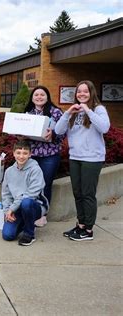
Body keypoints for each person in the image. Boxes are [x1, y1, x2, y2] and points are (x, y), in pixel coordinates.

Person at [55, 80, 110, 241]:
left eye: (85, 91)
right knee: (78, 193)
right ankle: (81, 225)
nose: (82, 94)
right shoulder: (74, 112)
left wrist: (87, 110)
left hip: (92, 159)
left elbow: (104, 127)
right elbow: (58, 131)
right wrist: (68, 113)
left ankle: (88, 229)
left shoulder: (98, 109)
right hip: (75, 157)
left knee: (88, 194)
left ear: (91, 92)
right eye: (79, 92)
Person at [23, 86, 65, 227]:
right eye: (36, 94)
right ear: (32, 97)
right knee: (32, 184)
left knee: (45, 184)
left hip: (50, 155)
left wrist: (53, 134)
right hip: (32, 154)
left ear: (47, 97)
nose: (39, 97)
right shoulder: (28, 113)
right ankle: (31, 212)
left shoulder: (56, 112)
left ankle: (42, 214)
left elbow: (64, 132)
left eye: (42, 94)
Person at [1, 140, 48, 246]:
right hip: (16, 207)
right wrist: (7, 211)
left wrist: (12, 208)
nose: (21, 156)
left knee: (26, 202)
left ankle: (29, 234)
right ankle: (27, 222)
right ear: (13, 153)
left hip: (35, 205)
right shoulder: (9, 171)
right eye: (18, 153)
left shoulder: (35, 170)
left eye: (25, 153)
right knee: (8, 235)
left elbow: (31, 194)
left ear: (30, 154)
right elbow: (6, 194)